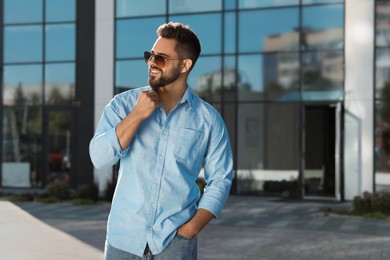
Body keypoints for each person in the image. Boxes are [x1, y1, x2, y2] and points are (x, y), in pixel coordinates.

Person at [89, 22, 233, 260]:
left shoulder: (208, 120)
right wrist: (137, 115)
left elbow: (221, 180)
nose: (152, 63)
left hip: (175, 245)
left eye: (162, 58)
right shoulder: (122, 105)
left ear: (185, 65)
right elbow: (99, 158)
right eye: (150, 56)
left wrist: (190, 230)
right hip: (123, 242)